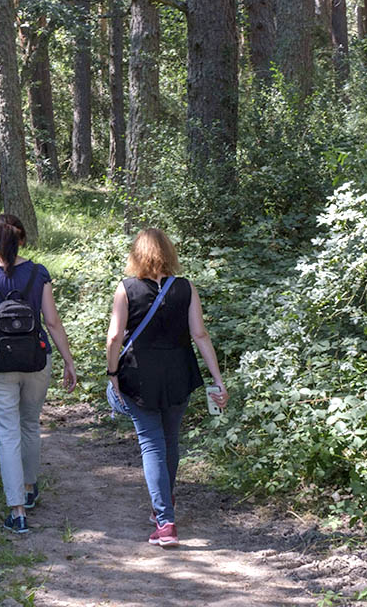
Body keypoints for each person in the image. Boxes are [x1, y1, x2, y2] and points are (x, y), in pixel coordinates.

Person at [105, 228, 229, 547]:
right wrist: (217, 379)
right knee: (170, 440)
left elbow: (115, 337)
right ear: (169, 253)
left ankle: (165, 521)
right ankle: (164, 507)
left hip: (139, 375)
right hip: (179, 372)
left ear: (137, 254)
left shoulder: (126, 288)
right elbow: (200, 335)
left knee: (151, 444)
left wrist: (112, 372)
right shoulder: (185, 288)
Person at [0, 214, 78, 534]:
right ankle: (29, 489)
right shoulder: (39, 274)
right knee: (30, 424)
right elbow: (53, 323)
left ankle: (17, 512)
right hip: (37, 361)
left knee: (8, 434)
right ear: (23, 240)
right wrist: (69, 361)